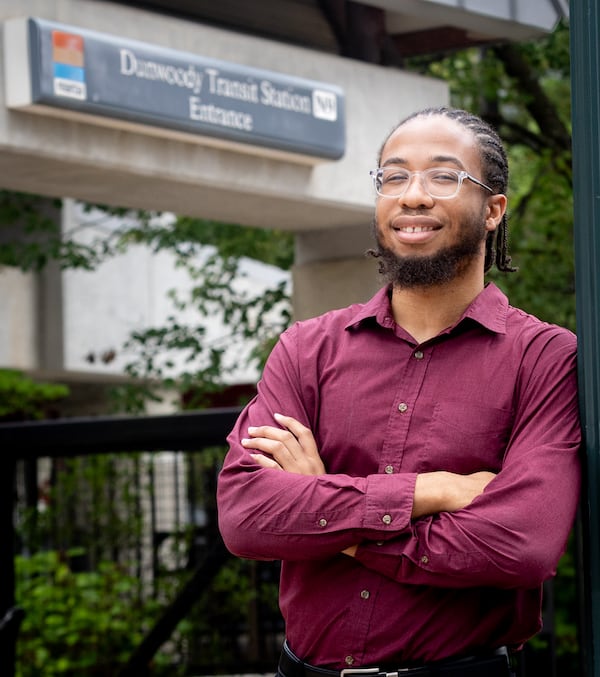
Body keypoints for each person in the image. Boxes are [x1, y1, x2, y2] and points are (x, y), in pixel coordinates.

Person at [216, 106, 581, 677]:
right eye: (393, 176)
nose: (412, 195)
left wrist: (334, 519)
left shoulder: (544, 357)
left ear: (492, 210)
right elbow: (247, 515)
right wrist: (431, 491)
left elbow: (521, 544)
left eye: (442, 176)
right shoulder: (306, 349)